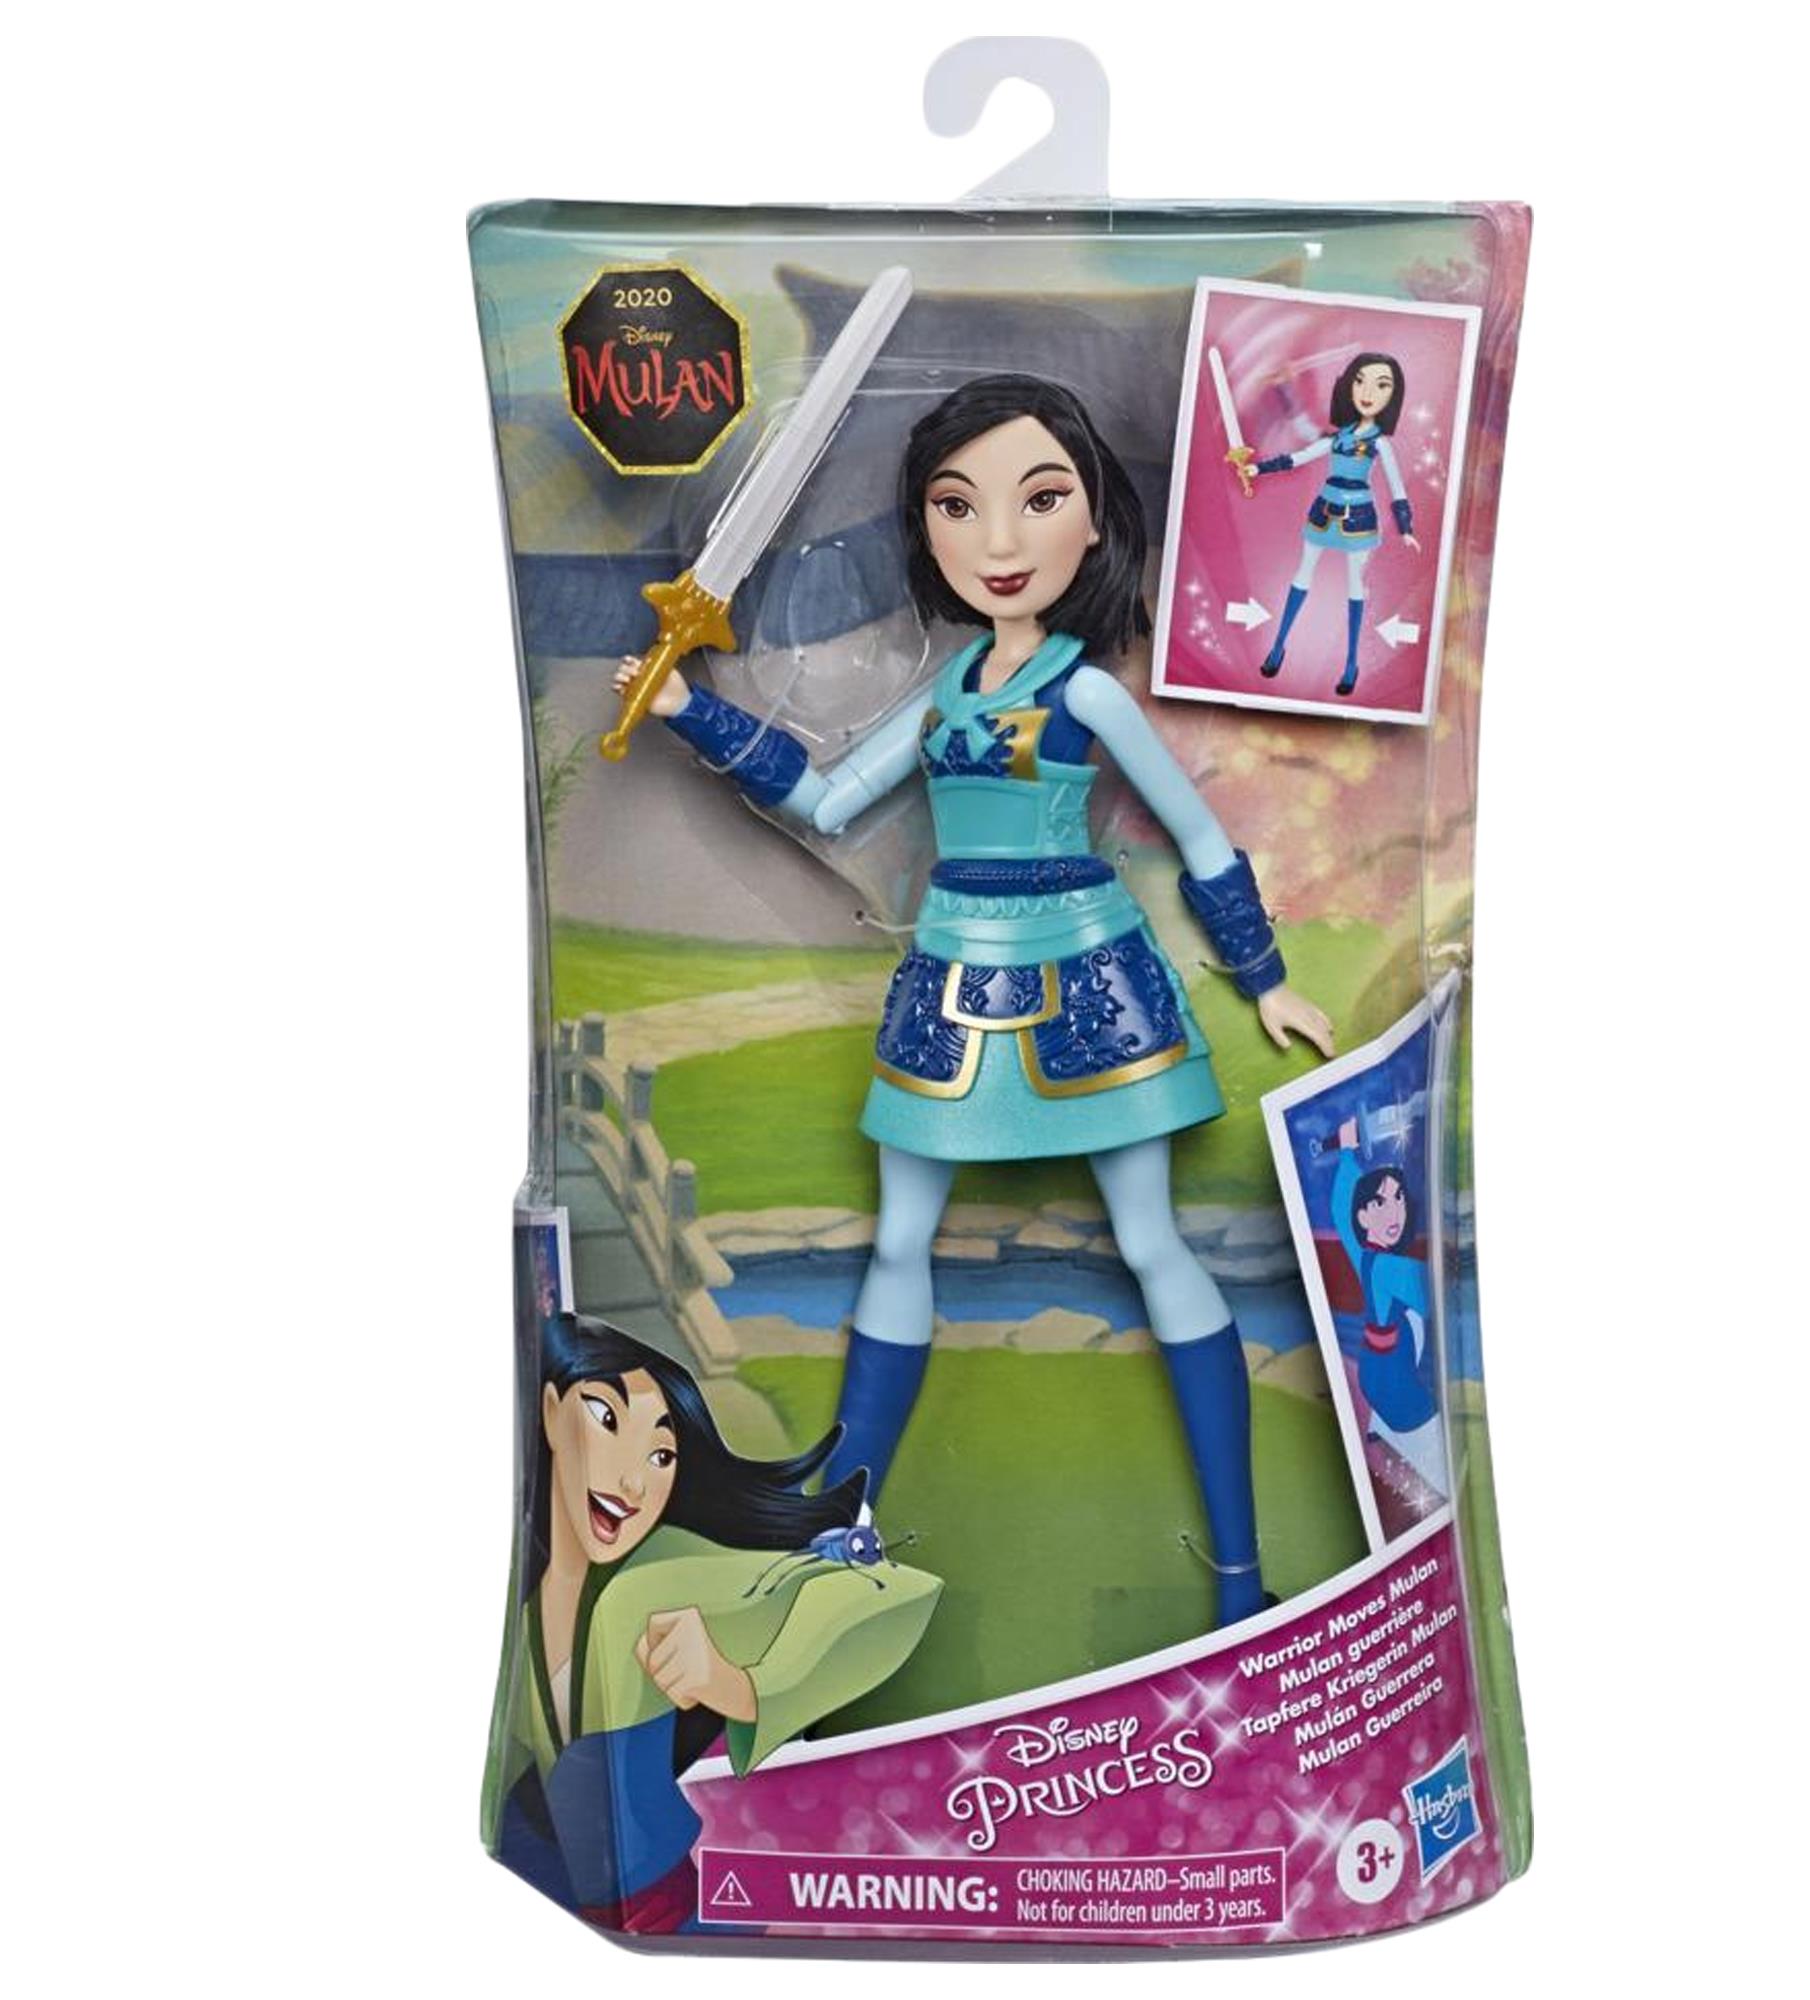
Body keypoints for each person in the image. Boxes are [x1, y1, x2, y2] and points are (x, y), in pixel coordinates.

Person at [618, 373, 1334, 1626]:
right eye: (957, 506)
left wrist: (1262, 976)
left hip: (1087, 979)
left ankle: (1235, 1574)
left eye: (1037, 499)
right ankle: (835, 1547)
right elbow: (829, 798)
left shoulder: (1086, 690)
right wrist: (691, 714)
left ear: (1094, 518)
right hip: (951, 978)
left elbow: (1197, 834)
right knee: (898, 1243)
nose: (997, 539)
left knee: (1151, 1243)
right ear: (925, 526)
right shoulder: (943, 694)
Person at [487, 1311, 940, 1931]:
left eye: (661, 1454)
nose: (631, 1482)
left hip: (676, 1912)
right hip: (562, 1909)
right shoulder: (530, 1594)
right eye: (605, 1419)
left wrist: (739, 1685)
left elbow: (893, 1589)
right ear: (548, 1409)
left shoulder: (657, 1577)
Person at [1229, 352, 1422, 696]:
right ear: (1349, 386)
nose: (1368, 392)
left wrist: (1405, 528)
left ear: (1392, 396)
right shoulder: (1336, 438)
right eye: (1360, 382)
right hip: (1324, 512)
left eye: (1381, 386)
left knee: (1354, 586)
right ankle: (1279, 646)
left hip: (1358, 518)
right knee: (1302, 575)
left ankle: (1351, 663)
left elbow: (1397, 487)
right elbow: (1299, 455)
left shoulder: (1379, 444)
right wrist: (1257, 468)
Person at [1328, 1117, 1448, 1497]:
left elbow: (1341, 1211)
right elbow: (1443, 1289)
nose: (1393, 1212)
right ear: (1363, 1216)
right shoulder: (1389, 1268)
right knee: (1451, 1475)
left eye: (1398, 1200)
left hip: (1378, 1371)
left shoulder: (1364, 1253)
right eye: (1380, 1202)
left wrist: (1347, 1152)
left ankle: (1384, 1431)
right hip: (1395, 1384)